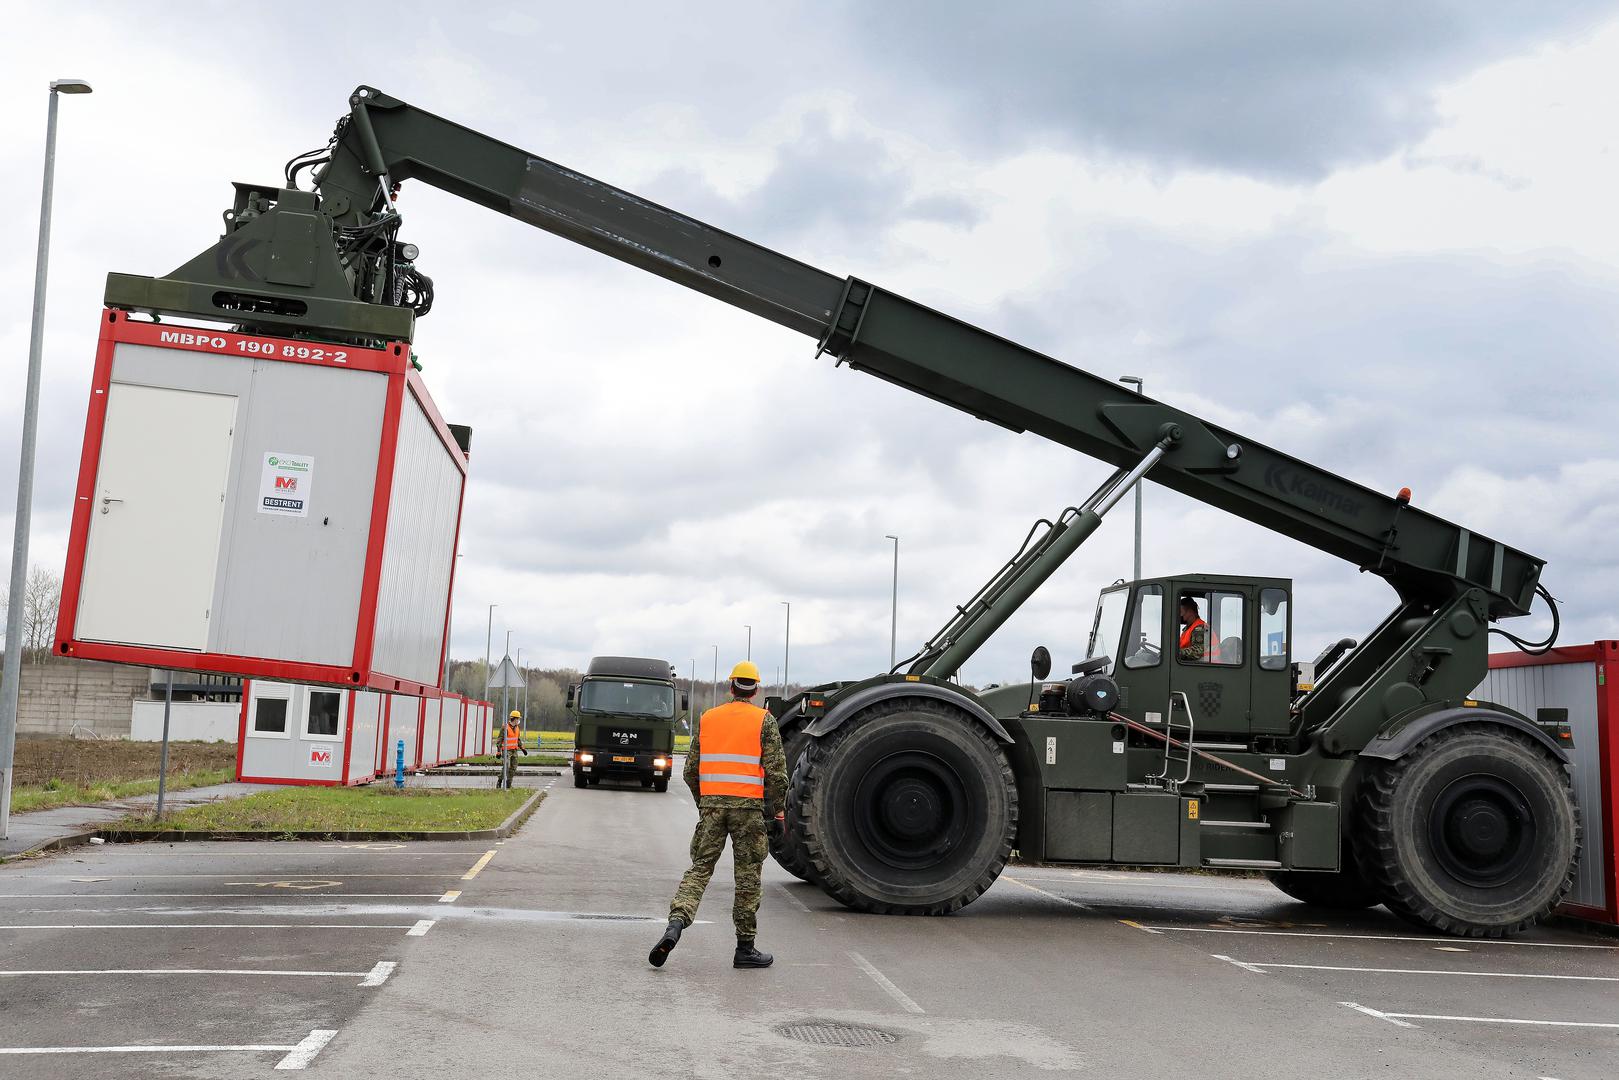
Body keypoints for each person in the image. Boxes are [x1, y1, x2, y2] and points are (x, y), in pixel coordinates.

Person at [649, 660, 788, 970]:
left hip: (712, 808)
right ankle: (745, 949)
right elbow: (777, 775)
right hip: (749, 811)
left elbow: (690, 771)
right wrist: (777, 812)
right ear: (755, 690)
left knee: (699, 869)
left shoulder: (708, 719)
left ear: (730, 687)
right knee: (747, 878)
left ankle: (676, 923)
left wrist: (705, 802)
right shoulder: (764, 721)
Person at [500, 710, 527, 789]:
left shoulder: (517, 728)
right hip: (506, 750)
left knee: (514, 767)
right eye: (518, 719)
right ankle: (500, 781)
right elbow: (499, 739)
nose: (519, 720)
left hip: (514, 750)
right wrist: (498, 751)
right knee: (506, 766)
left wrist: (522, 748)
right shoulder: (505, 727)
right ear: (514, 719)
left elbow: (517, 739)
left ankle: (509, 784)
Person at [1178, 596, 1209, 662]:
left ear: (1190, 612)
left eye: (1180, 612)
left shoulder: (1200, 628)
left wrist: (1176, 652)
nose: (1179, 615)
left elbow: (1197, 651)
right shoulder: (1189, 628)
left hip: (1206, 668)